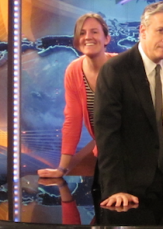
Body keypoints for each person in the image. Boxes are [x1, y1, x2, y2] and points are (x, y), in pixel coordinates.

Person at [94, 1, 163, 226]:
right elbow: (107, 133)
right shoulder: (115, 69)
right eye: (161, 30)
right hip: (129, 185)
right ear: (143, 31)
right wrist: (116, 188)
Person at [37, 13, 114, 178]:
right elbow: (73, 120)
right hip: (105, 157)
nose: (88, 37)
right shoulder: (74, 70)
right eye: (82, 33)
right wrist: (61, 169)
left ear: (106, 39)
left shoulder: (121, 66)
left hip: (134, 156)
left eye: (94, 32)